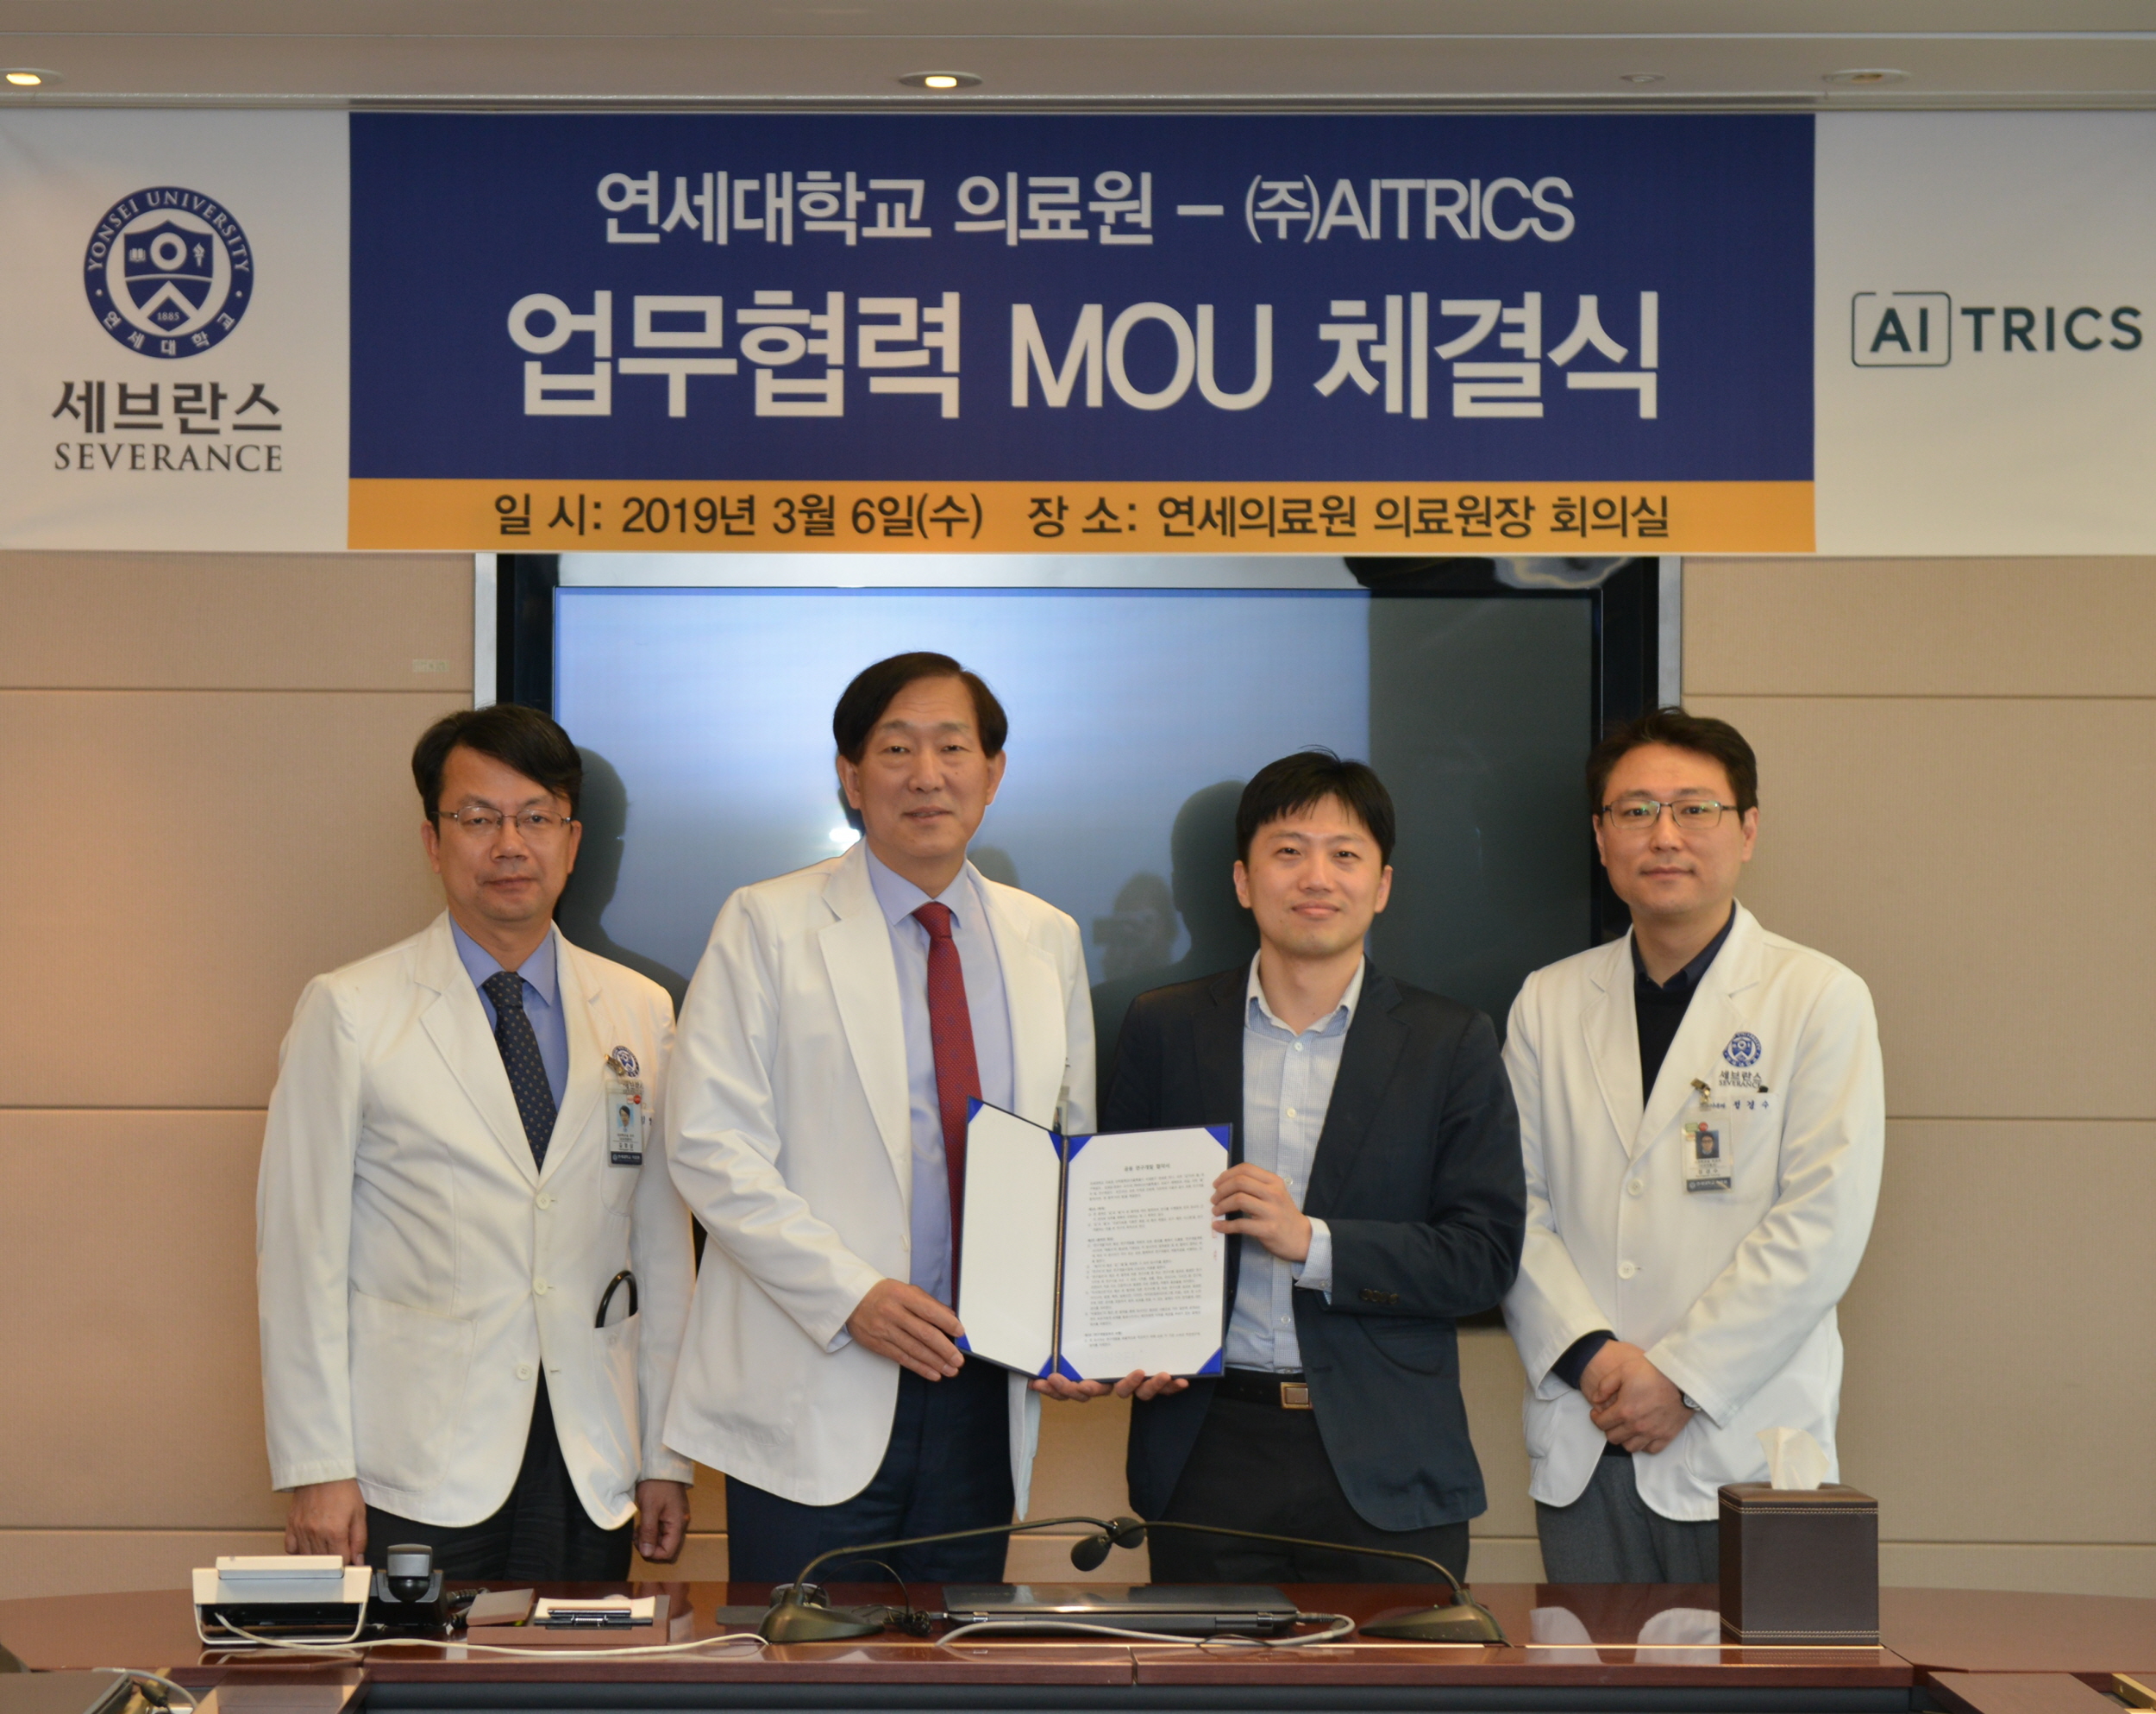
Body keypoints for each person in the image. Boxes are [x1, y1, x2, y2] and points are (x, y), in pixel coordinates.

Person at [661, 652, 1098, 1582]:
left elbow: (1072, 1153)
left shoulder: (1046, 938)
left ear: (993, 772)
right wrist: (850, 1294)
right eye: (896, 749)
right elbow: (708, 1143)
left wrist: (1069, 1320)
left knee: (955, 1653)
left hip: (983, 1386)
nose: (927, 774)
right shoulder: (765, 923)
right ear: (851, 777)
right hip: (810, 1377)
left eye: (953, 748)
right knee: (802, 1655)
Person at [257, 704, 695, 1576]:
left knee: (579, 1661)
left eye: (536, 817)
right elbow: (299, 1254)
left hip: (590, 1456)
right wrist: (316, 1466)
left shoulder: (640, 1011)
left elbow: (660, 1247)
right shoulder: (351, 1010)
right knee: (424, 1665)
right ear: (433, 839)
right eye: (478, 818)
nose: (510, 845)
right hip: (414, 1463)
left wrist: (665, 1454)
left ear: (572, 841)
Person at [1106, 751, 1526, 1585]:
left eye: (1345, 854)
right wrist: (1121, 1337)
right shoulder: (1164, 1027)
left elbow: (1483, 1259)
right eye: (1288, 851)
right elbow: (1118, 1226)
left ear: (1382, 885)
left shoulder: (1450, 1041)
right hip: (1207, 1453)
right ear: (1242, 880)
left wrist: (1313, 1242)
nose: (1316, 877)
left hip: (1389, 1459)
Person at [1502, 707, 1884, 1583]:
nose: (1664, 834)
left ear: (1747, 829)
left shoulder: (1817, 997)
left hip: (1744, 1440)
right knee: (1588, 1658)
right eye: (1635, 810)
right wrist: (1591, 1355)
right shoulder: (1546, 1003)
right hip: (1587, 1431)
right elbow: (1511, 1208)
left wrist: (1678, 1377)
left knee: (1754, 1666)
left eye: (1694, 808)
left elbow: (1821, 1224)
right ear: (1601, 836)